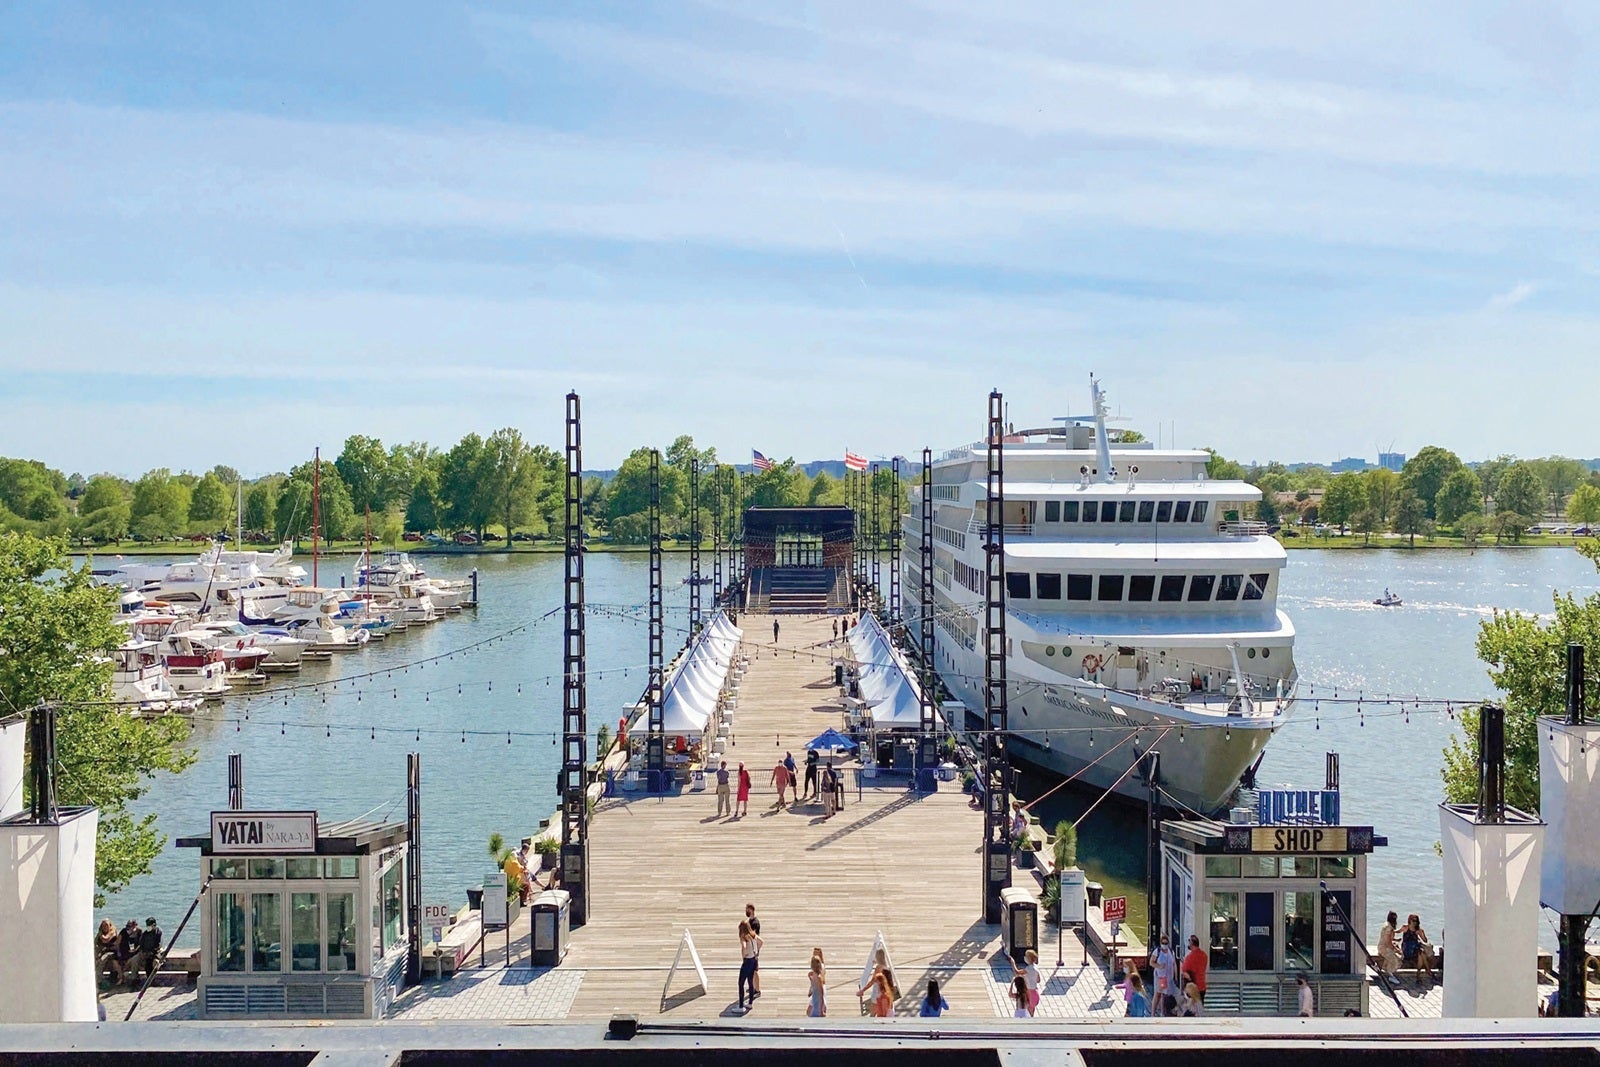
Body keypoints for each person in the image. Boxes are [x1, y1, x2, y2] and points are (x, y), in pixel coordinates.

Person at [1402, 914, 1437, 984]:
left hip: (1415, 949)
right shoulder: (1405, 928)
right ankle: (1428, 971)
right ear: (1410, 920)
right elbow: (1395, 932)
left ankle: (1419, 974)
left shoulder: (1418, 930)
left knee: (1421, 954)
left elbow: (1425, 940)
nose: (1415, 922)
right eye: (1413, 920)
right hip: (1407, 949)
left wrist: (1422, 933)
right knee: (1421, 953)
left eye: (1416, 921)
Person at [1149, 934, 1178, 1016]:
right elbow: (1151, 962)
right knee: (1157, 993)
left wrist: (1176, 977)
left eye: (1166, 943)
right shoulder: (1157, 951)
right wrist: (1159, 966)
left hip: (1168, 977)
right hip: (1160, 977)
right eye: (1163, 943)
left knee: (1164, 995)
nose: (1164, 945)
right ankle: (1153, 1013)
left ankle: (1162, 1012)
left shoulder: (1171, 952)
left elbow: (1174, 964)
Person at [737, 919, 762, 1011]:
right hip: (753, 959)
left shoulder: (744, 937)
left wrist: (744, 955)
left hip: (747, 961)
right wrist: (756, 951)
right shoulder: (753, 935)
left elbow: (743, 947)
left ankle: (740, 1006)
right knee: (750, 982)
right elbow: (761, 942)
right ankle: (750, 1003)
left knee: (741, 983)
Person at [95, 918, 123, 987]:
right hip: (104, 951)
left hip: (113, 952)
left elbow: (106, 939)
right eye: (103, 925)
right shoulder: (100, 934)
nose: (105, 927)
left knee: (102, 959)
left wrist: (100, 934)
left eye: (106, 925)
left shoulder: (112, 931)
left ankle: (99, 979)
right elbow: (96, 943)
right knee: (96, 959)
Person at [1181, 933, 1208, 1003]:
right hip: (1202, 986)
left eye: (1189, 941)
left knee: (1192, 1009)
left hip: (1193, 988)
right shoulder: (1204, 955)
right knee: (1200, 1008)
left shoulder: (1190, 957)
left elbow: (1184, 972)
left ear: (1191, 943)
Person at [135, 917, 163, 982]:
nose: (148, 927)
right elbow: (141, 944)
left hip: (155, 953)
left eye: (149, 925)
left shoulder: (158, 932)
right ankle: (135, 978)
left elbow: (158, 944)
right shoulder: (145, 933)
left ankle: (152, 980)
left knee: (155, 963)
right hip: (145, 952)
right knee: (136, 960)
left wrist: (152, 952)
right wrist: (143, 952)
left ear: (154, 925)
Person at [1014, 949, 1041, 1014]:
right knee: (1032, 1012)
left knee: (1026, 1012)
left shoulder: (1028, 969)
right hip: (1035, 992)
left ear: (1029, 959)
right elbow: (1038, 980)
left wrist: (1013, 963)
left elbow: (1017, 972)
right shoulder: (1036, 968)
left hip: (1028, 993)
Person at [745, 904, 762, 997]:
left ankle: (757, 990)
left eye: (747, 910)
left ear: (751, 910)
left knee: (755, 971)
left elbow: (754, 936)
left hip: (754, 949)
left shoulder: (755, 923)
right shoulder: (750, 921)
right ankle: (754, 986)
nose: (746, 911)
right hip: (751, 948)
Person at [1376, 911, 1399, 977]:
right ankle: (1390, 975)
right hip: (1384, 948)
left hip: (1381, 946)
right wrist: (1396, 949)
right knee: (1396, 960)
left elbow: (1386, 938)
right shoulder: (1389, 928)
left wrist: (1395, 940)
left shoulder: (1386, 924)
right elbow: (1388, 942)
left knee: (1392, 956)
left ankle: (1384, 969)